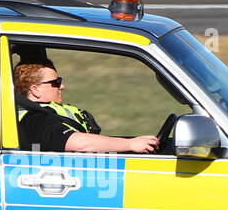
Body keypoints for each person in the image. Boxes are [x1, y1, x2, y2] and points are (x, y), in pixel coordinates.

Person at [12, 62, 159, 154]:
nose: (62, 86)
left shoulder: (41, 114)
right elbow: (80, 143)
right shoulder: (36, 120)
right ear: (35, 90)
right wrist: (131, 144)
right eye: (56, 82)